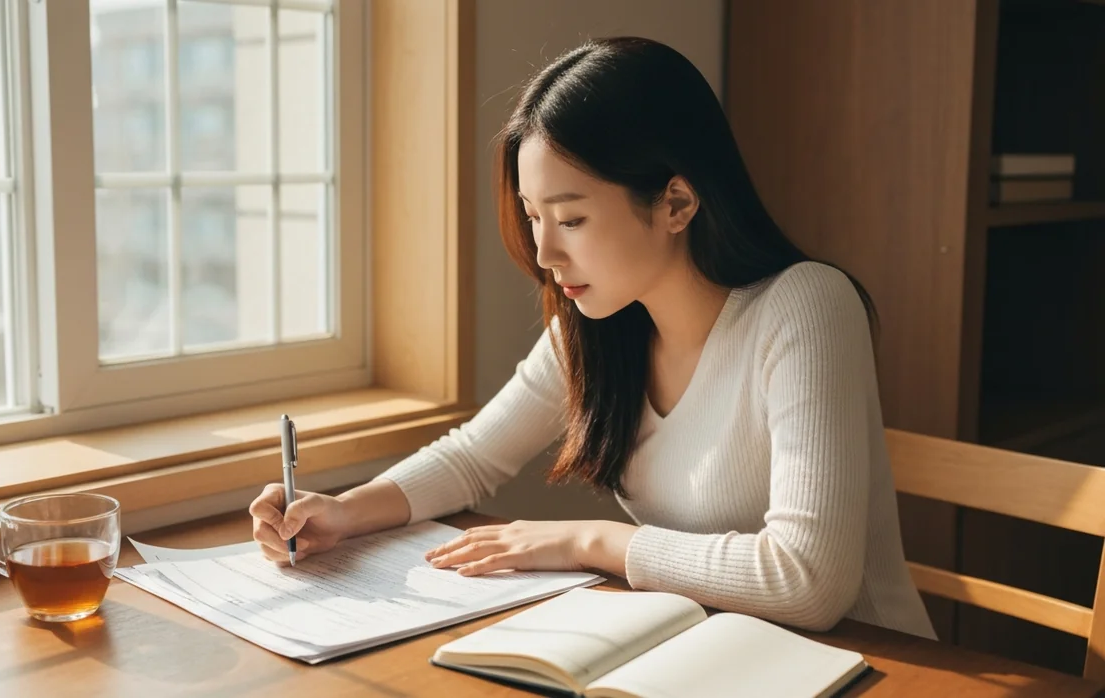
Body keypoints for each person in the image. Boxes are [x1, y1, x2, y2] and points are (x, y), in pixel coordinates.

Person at [248, 36, 937, 640]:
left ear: (676, 202)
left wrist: (590, 541)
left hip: (867, 665)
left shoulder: (806, 306)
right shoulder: (599, 324)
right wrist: (342, 512)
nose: (544, 253)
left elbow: (808, 580)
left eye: (570, 220)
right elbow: (472, 459)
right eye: (532, 215)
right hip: (708, 649)